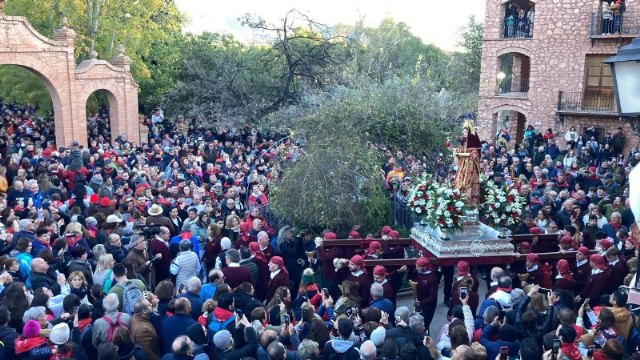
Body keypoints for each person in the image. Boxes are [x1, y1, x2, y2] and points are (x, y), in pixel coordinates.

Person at [453, 120, 482, 206]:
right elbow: (460, 151)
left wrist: (463, 154)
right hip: (463, 168)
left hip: (471, 169)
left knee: (469, 185)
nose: (464, 133)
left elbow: (474, 155)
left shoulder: (473, 143)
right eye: (463, 132)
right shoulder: (464, 142)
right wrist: (456, 151)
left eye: (466, 132)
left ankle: (470, 203)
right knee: (459, 182)